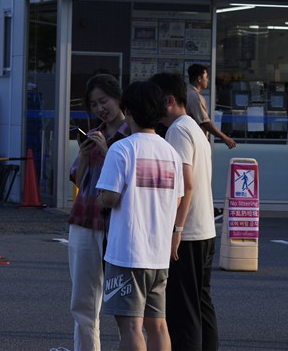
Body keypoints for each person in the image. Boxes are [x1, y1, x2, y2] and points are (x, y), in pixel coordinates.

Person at [96, 80, 184, 351]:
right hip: (158, 257)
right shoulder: (171, 153)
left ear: (129, 112)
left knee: (131, 326)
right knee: (158, 325)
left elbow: (109, 197)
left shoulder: (122, 149)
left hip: (127, 254)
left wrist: (101, 198)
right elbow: (178, 197)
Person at [151, 72, 219, 351]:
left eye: (152, 100)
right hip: (204, 230)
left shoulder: (178, 130)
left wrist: (175, 229)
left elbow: (184, 185)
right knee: (201, 303)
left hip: (187, 233)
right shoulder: (193, 127)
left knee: (183, 309)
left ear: (168, 100)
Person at [67, 74, 130, 351]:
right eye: (93, 105)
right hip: (84, 219)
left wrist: (107, 152)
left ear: (118, 98)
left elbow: (128, 184)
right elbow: (79, 181)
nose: (100, 109)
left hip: (115, 225)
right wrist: (83, 155)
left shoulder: (131, 136)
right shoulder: (96, 134)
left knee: (123, 303)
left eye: (103, 101)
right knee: (83, 299)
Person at [186, 64, 236, 149]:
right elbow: (204, 122)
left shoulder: (188, 91)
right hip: (194, 141)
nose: (208, 80)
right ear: (199, 79)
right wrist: (225, 138)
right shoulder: (195, 97)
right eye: (206, 77)